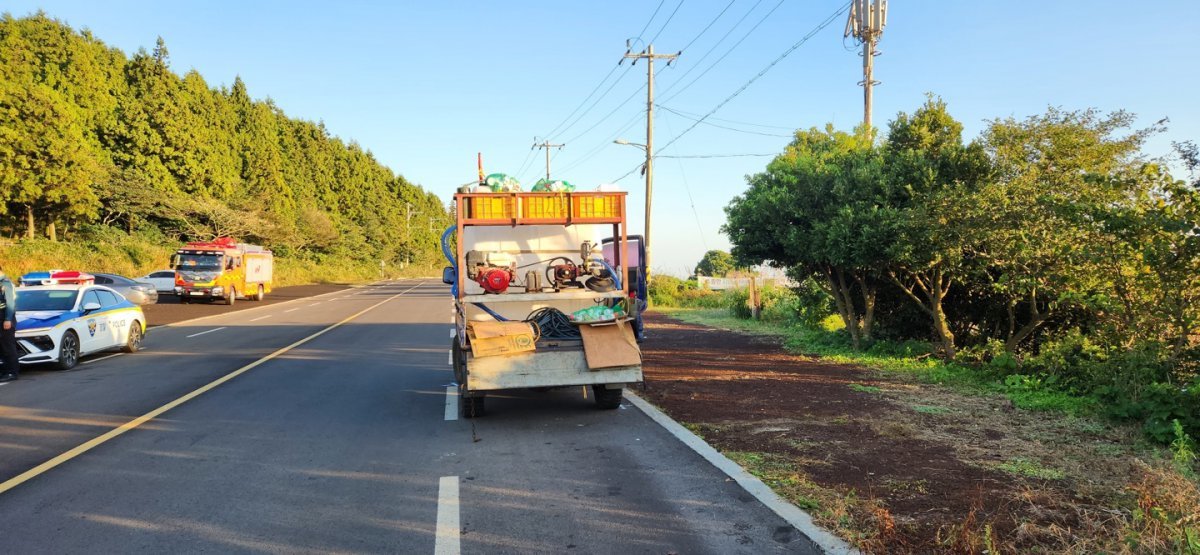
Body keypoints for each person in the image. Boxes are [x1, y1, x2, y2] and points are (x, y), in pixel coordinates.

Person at [0, 270, 18, 382]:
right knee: (2, 347)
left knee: (8, 347)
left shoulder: (5, 283)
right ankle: (5, 371)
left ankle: (12, 372)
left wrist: (7, 319)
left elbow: (10, 303)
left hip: (4, 317)